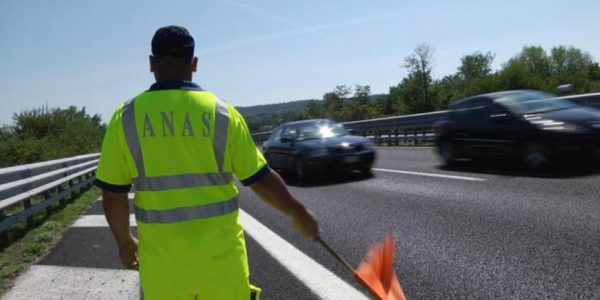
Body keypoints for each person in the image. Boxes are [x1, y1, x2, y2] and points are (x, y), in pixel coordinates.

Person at [95, 25, 319, 300]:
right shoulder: (222, 113)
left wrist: (125, 241)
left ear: (151, 63)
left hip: (164, 276)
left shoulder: (125, 118)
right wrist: (298, 211)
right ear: (194, 63)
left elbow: (113, 194)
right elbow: (260, 179)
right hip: (223, 272)